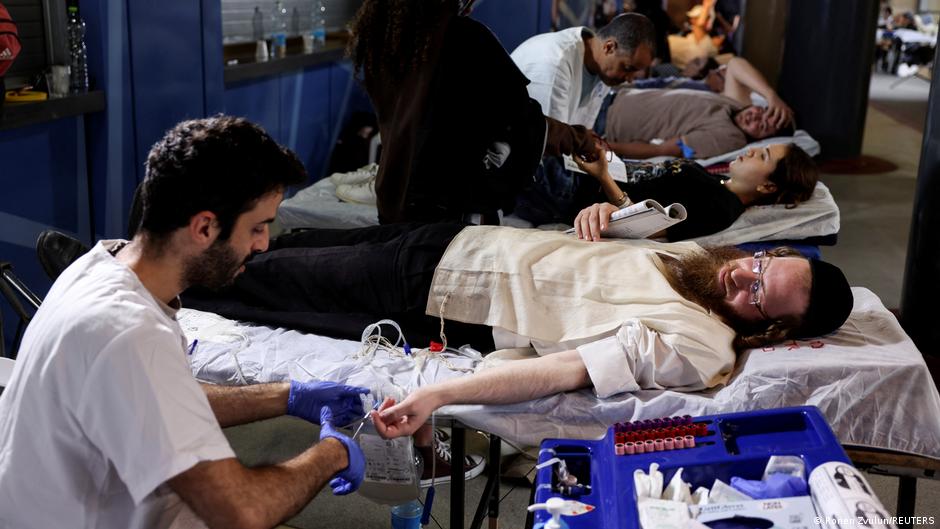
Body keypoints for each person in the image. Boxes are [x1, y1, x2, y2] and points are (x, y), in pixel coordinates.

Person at [0, 116, 371, 529]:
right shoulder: (129, 332)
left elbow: (160, 397)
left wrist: (288, 395)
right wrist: (332, 454)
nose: (264, 243)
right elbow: (241, 512)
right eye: (258, 226)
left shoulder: (100, 267)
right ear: (204, 227)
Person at [183, 222, 854, 443]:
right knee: (287, 240)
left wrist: (446, 395)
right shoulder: (708, 260)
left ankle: (143, 274)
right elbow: (605, 247)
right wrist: (602, 213)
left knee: (261, 277)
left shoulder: (700, 343)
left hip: (441, 291)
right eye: (763, 261)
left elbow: (569, 369)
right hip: (461, 237)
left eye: (763, 291)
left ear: (774, 327)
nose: (747, 274)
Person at [347, 0, 597, 225]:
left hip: (394, 194)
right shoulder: (466, 38)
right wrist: (577, 139)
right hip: (450, 207)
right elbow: (521, 120)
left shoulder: (384, 41)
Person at [569, 142, 818, 241]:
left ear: (767, 186)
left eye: (762, 156)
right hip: (588, 171)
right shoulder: (719, 180)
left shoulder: (721, 209)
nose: (752, 151)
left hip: (578, 192)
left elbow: (638, 226)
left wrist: (602, 174)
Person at [604, 56, 795, 160]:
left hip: (606, 125)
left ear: (758, 139)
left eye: (761, 127)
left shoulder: (729, 138)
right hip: (612, 96)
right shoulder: (738, 106)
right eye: (762, 112)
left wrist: (606, 148)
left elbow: (662, 150)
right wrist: (771, 95)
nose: (754, 118)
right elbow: (736, 64)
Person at [511, 12, 656, 128]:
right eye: (628, 68)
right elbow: (549, 143)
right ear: (609, 47)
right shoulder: (556, 63)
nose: (630, 79)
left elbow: (581, 133)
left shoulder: (603, 71)